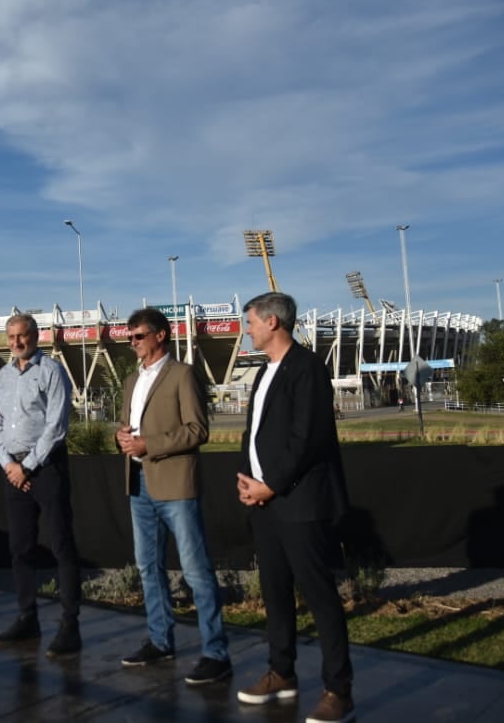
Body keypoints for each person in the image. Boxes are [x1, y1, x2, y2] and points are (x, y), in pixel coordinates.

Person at [236, 292, 355, 723]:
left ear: (272, 322)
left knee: (320, 597)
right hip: (266, 503)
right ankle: (281, 673)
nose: (245, 329)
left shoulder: (307, 369)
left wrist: (269, 485)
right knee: (275, 593)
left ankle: (338, 691)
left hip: (301, 502)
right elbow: (256, 435)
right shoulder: (264, 372)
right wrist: (248, 482)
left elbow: (307, 439)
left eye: (250, 322)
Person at [114, 307, 232, 685]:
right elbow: (127, 426)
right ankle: (160, 640)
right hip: (138, 484)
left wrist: (151, 445)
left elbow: (198, 430)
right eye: (129, 337)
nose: (133, 343)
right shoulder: (132, 380)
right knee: (148, 567)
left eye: (139, 336)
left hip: (175, 486)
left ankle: (216, 652)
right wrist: (122, 437)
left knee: (196, 570)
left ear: (161, 335)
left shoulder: (183, 374)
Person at [0, 314, 83, 657]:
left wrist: (27, 467)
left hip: (45, 467)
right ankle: (27, 617)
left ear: (36, 336)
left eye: (23, 336)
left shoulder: (51, 371)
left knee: (61, 544)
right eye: (11, 337)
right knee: (20, 547)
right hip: (14, 468)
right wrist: (9, 465)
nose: (17, 342)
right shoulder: (3, 374)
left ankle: (70, 624)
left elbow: (56, 426)